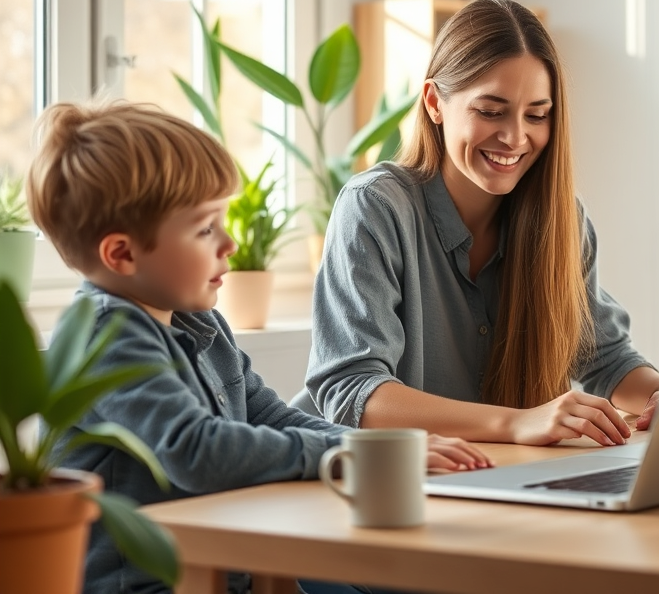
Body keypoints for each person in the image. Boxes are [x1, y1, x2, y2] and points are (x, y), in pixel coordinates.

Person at [26, 100, 489, 594]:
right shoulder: (108, 337)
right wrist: (349, 455)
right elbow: (196, 450)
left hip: (227, 570)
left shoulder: (198, 319)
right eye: (205, 228)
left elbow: (269, 415)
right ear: (122, 253)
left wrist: (372, 448)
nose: (228, 243)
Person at [306, 0, 659, 446]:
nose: (516, 137)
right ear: (435, 103)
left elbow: (605, 356)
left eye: (537, 115)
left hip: (501, 480)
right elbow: (353, 390)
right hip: (383, 487)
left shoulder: (562, 221)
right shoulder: (375, 208)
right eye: (491, 111)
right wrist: (515, 422)